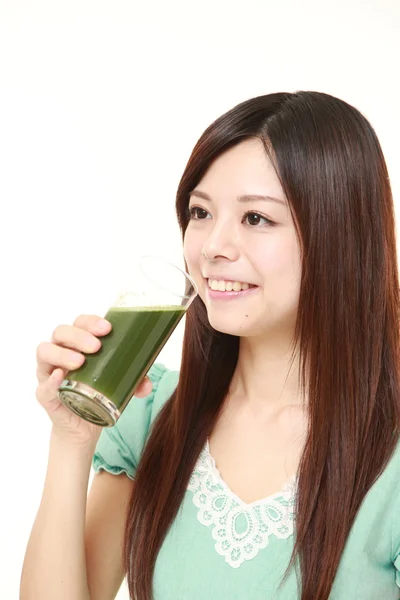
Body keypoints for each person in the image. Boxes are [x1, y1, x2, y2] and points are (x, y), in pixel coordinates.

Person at [20, 91, 400, 600]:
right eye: (200, 213)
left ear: (339, 235)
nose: (212, 247)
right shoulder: (149, 414)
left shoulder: (389, 458)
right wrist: (71, 440)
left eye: (256, 218)